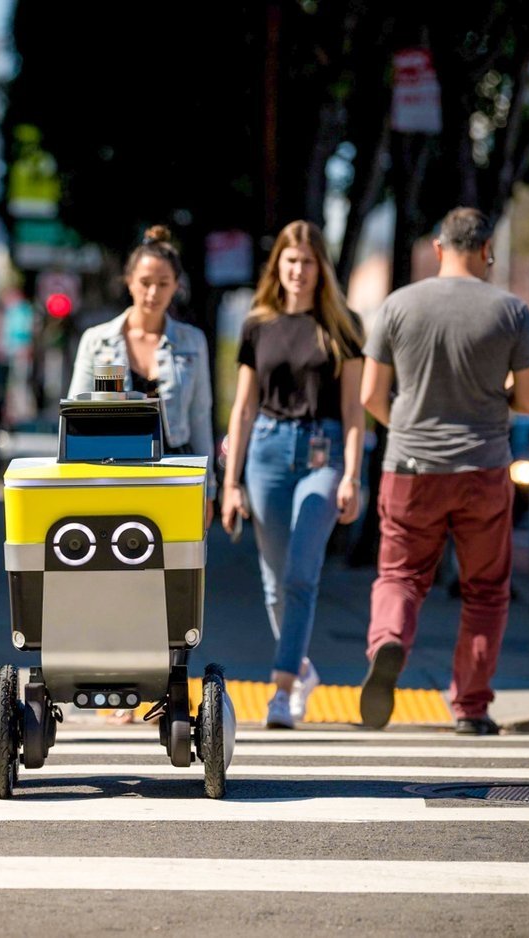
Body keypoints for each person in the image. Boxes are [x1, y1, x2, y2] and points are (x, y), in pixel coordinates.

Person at [358, 206, 529, 736]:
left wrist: (410, 425)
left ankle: (390, 639)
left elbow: (371, 395)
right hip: (483, 469)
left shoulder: (398, 306)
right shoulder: (511, 311)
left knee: (400, 575)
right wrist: (494, 394)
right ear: (487, 250)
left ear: (439, 249)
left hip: (410, 468)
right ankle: (469, 706)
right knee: (485, 590)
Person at [220, 220, 365, 729]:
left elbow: (353, 411)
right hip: (264, 451)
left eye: (307, 261)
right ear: (277, 266)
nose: (299, 270)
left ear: (320, 267)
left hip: (323, 456)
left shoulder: (344, 327)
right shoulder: (257, 324)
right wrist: (230, 483)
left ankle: (280, 690)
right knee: (275, 585)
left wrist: (351, 476)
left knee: (302, 574)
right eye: (290, 260)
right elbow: (242, 408)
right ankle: (302, 667)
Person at [68, 226, 215, 512]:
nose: (153, 292)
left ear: (176, 286)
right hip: (112, 468)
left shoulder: (192, 341)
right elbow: (76, 415)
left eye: (163, 283)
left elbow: (199, 416)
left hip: (176, 469)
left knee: (176, 554)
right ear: (129, 281)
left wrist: (207, 487)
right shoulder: (97, 341)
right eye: (145, 282)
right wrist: (75, 480)